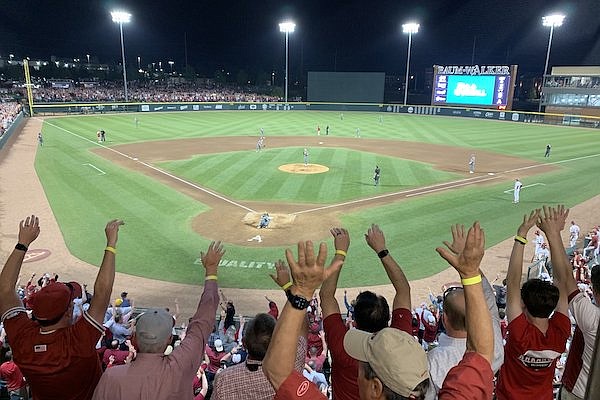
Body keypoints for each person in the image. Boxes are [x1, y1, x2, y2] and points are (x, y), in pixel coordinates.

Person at [264, 222, 494, 399]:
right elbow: (481, 352)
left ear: (375, 388)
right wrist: (470, 274)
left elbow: (277, 371)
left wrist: (302, 291)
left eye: (364, 370)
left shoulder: (344, 346)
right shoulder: (402, 339)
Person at [0, 216, 123, 400]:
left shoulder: (21, 337)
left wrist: (22, 243)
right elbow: (103, 292)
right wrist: (111, 244)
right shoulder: (78, 340)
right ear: (67, 312)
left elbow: (5, 290)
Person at [92, 241, 223, 399]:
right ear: (169, 340)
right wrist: (211, 271)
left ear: (133, 339)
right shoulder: (180, 366)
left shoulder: (111, 377)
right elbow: (203, 321)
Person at [318, 226, 421, 400]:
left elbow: (326, 295)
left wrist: (341, 251)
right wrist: (382, 250)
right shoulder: (400, 340)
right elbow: (403, 289)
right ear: (388, 318)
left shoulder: (342, 345)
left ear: (354, 322)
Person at [496, 208, 571, 400]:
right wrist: (553, 234)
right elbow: (562, 280)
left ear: (524, 305)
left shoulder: (521, 333)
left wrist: (522, 234)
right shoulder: (560, 332)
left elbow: (512, 282)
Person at [425, 224, 505, 400]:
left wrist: (468, 269)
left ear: (444, 319)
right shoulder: (495, 348)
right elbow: (488, 301)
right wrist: (470, 270)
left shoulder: (432, 361)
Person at [540, 206, 600, 400]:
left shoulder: (593, 319)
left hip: (579, 392)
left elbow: (566, 279)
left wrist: (554, 234)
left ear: (596, 293)